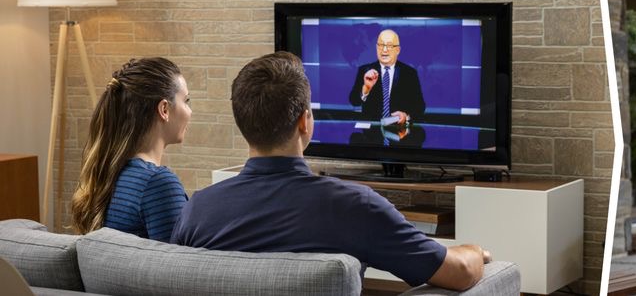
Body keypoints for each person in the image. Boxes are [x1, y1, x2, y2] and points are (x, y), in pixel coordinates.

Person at [171, 52, 488, 290]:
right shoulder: (355, 206)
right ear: (304, 122)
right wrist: (474, 251)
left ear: (242, 123)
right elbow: (458, 272)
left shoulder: (197, 210)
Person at [70, 58, 191, 241]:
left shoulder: (108, 175)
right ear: (164, 109)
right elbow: (180, 266)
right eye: (186, 101)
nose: (190, 111)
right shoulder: (158, 183)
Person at [348, 29, 426, 123]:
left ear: (397, 50)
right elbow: (354, 101)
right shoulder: (365, 70)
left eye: (389, 46)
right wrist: (366, 89)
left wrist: (406, 117)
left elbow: (420, 107)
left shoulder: (409, 73)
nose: (384, 50)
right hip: (371, 132)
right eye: (381, 45)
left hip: (398, 130)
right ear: (377, 47)